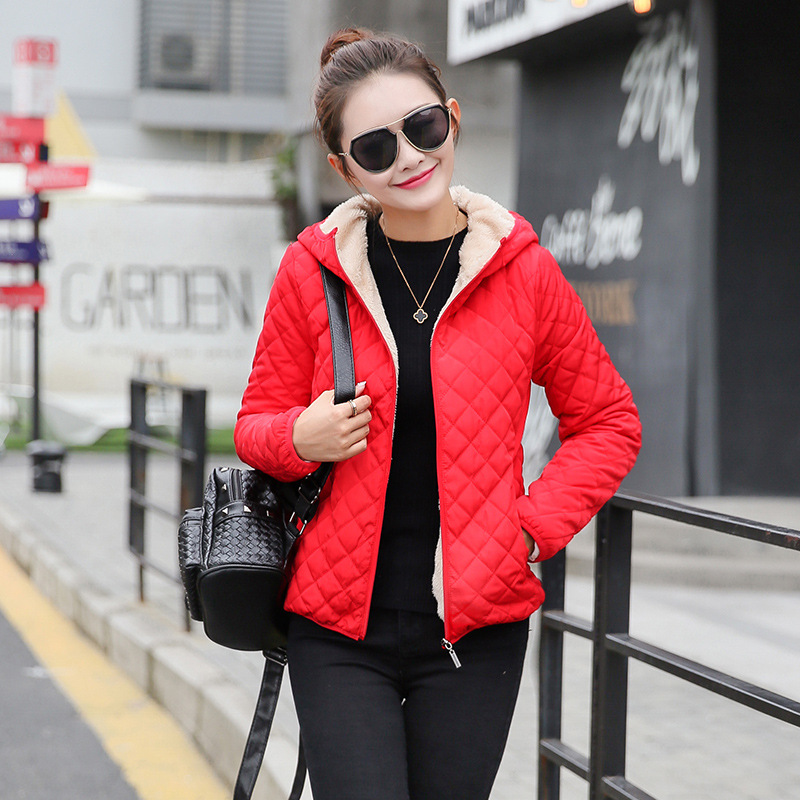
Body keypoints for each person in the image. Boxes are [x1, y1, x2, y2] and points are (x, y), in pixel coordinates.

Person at [235, 27, 641, 800]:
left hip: (476, 634)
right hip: (337, 628)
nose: (409, 157)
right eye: (375, 147)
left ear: (451, 119)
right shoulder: (311, 271)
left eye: (422, 127)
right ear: (343, 167)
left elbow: (608, 420)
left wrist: (530, 530)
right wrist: (300, 436)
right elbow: (255, 425)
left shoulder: (523, 271)